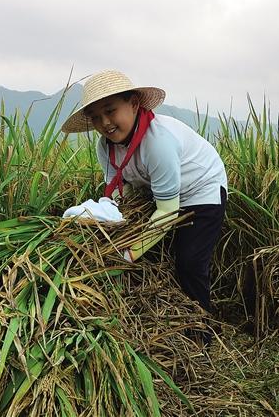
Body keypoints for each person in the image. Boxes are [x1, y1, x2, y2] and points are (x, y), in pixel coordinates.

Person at [61, 70, 228, 314]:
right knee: (157, 251)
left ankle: (201, 331)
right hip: (160, 193)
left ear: (134, 104)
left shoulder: (157, 142)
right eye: (95, 117)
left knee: (189, 262)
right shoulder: (104, 147)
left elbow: (167, 212)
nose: (105, 123)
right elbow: (120, 191)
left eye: (110, 111)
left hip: (201, 189)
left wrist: (127, 254)